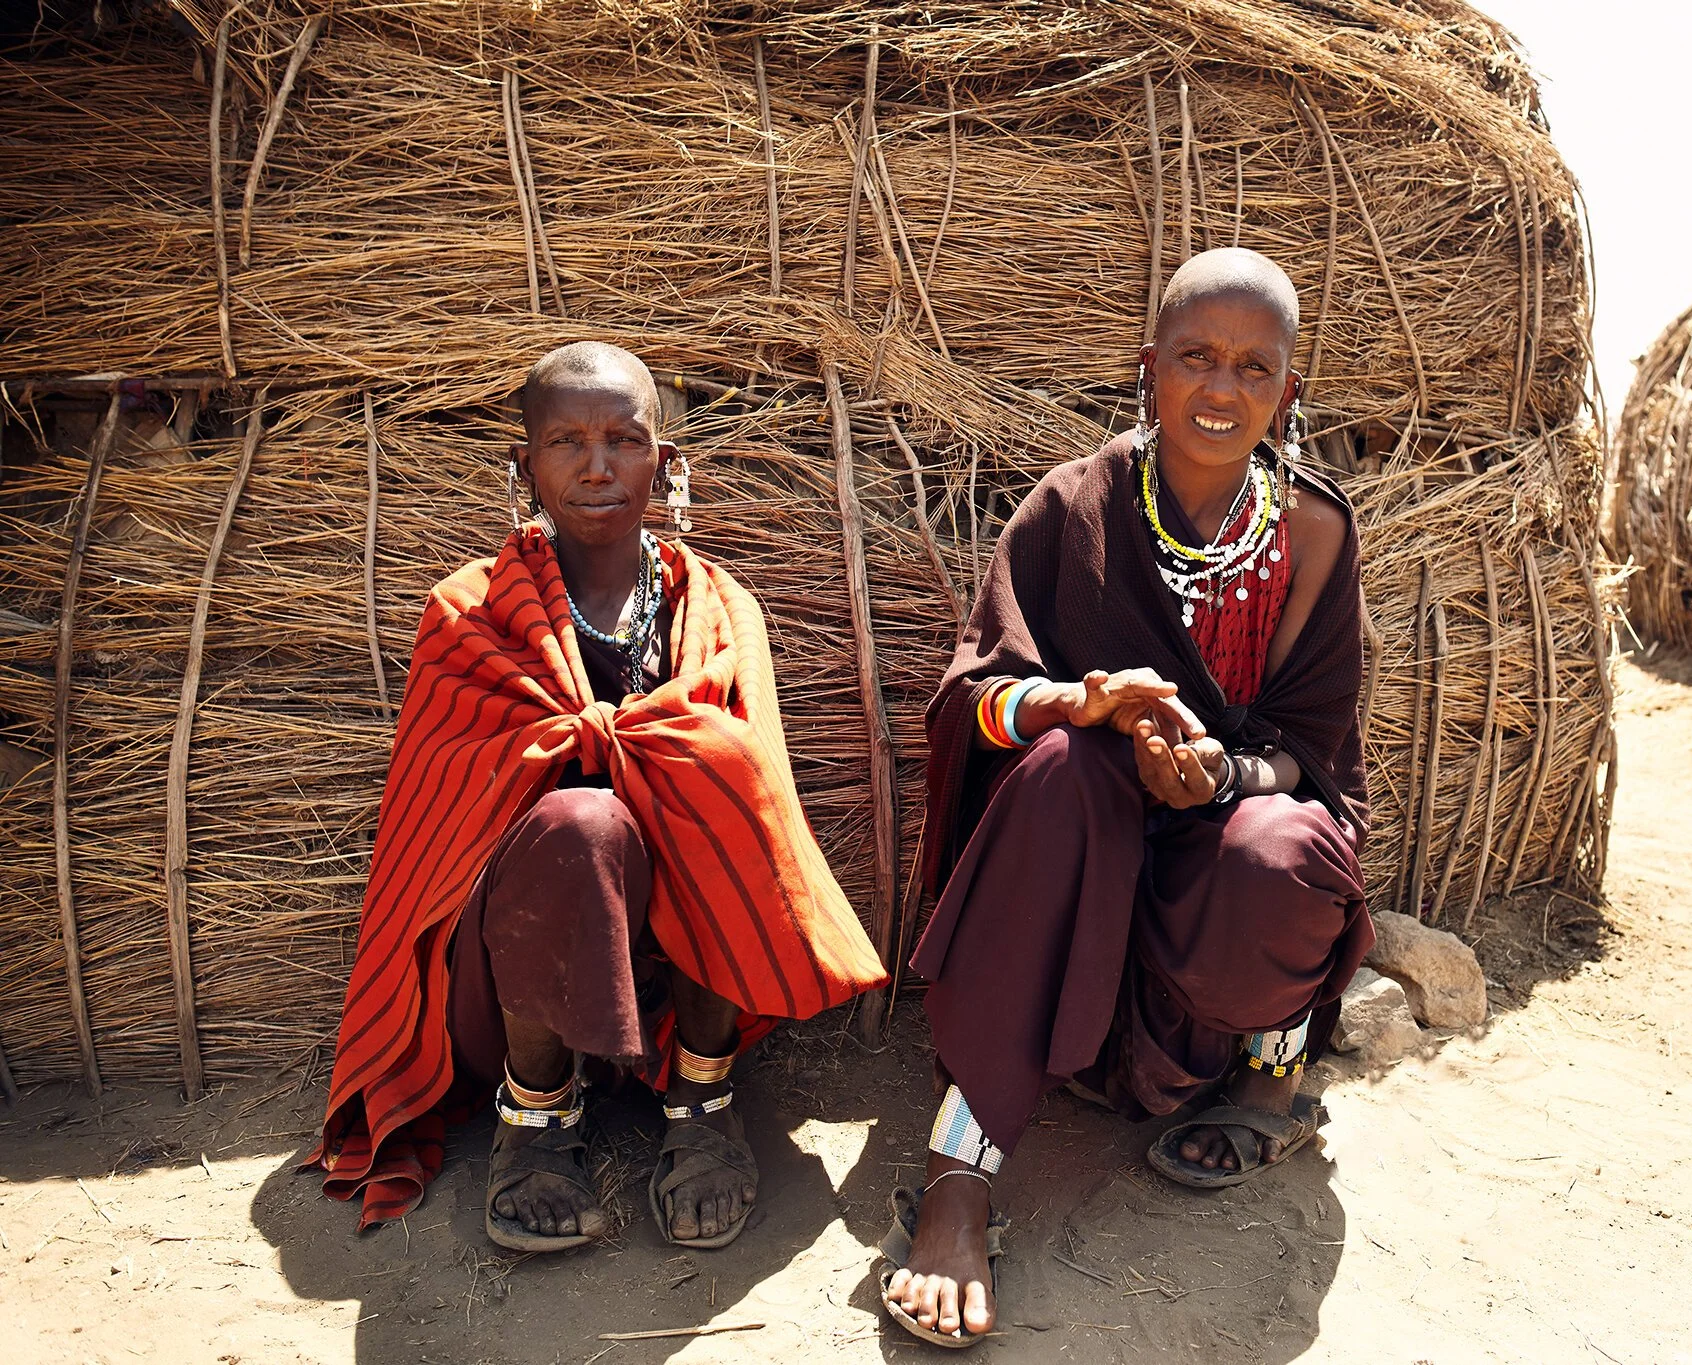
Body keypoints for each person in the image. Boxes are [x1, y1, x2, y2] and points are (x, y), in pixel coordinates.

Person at [880, 249, 1374, 1345]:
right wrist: (1082, 709)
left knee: (1285, 850)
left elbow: (1306, 745)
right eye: (1194, 358)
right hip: (1078, 831)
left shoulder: (1313, 530)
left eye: (1254, 368)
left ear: (1286, 392)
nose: (1220, 389)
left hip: (1217, 827)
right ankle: (958, 1175)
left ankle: (1262, 1085)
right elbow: (972, 701)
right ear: (1147, 369)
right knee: (1058, 772)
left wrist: (1216, 778)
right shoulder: (1076, 506)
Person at [310, 342, 885, 1252]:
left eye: (624, 439)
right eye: (567, 441)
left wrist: (675, 768)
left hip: (686, 960)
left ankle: (703, 1097)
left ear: (665, 459)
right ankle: (535, 1117)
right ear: (524, 464)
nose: (598, 465)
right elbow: (442, 823)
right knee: (579, 821)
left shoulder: (718, 607)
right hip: (517, 964)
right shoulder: (471, 612)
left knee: (712, 778)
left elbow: (763, 807)